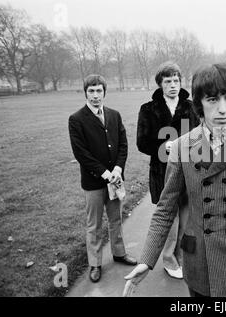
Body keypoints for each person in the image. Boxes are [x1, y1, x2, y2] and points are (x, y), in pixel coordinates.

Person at [124, 63, 226, 297]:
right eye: (212, 100)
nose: (223, 109)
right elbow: (165, 209)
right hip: (200, 264)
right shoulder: (181, 147)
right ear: (198, 104)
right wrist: (147, 260)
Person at [68, 74, 137, 283]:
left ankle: (119, 253)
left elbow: (123, 145)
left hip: (115, 179)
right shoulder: (76, 119)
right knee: (94, 224)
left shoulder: (114, 115)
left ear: (104, 92)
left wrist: (117, 168)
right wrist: (104, 173)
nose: (96, 95)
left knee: (116, 219)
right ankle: (95, 263)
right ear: (86, 93)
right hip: (94, 183)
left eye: (99, 91)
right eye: (91, 91)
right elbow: (81, 153)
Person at [136, 61, 199, 279]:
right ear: (160, 84)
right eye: (167, 81)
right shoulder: (148, 109)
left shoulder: (191, 107)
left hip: (189, 170)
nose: (173, 85)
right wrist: (164, 147)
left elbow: (201, 135)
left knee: (187, 218)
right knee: (169, 219)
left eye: (176, 80)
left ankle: (182, 258)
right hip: (162, 172)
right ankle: (168, 260)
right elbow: (142, 142)